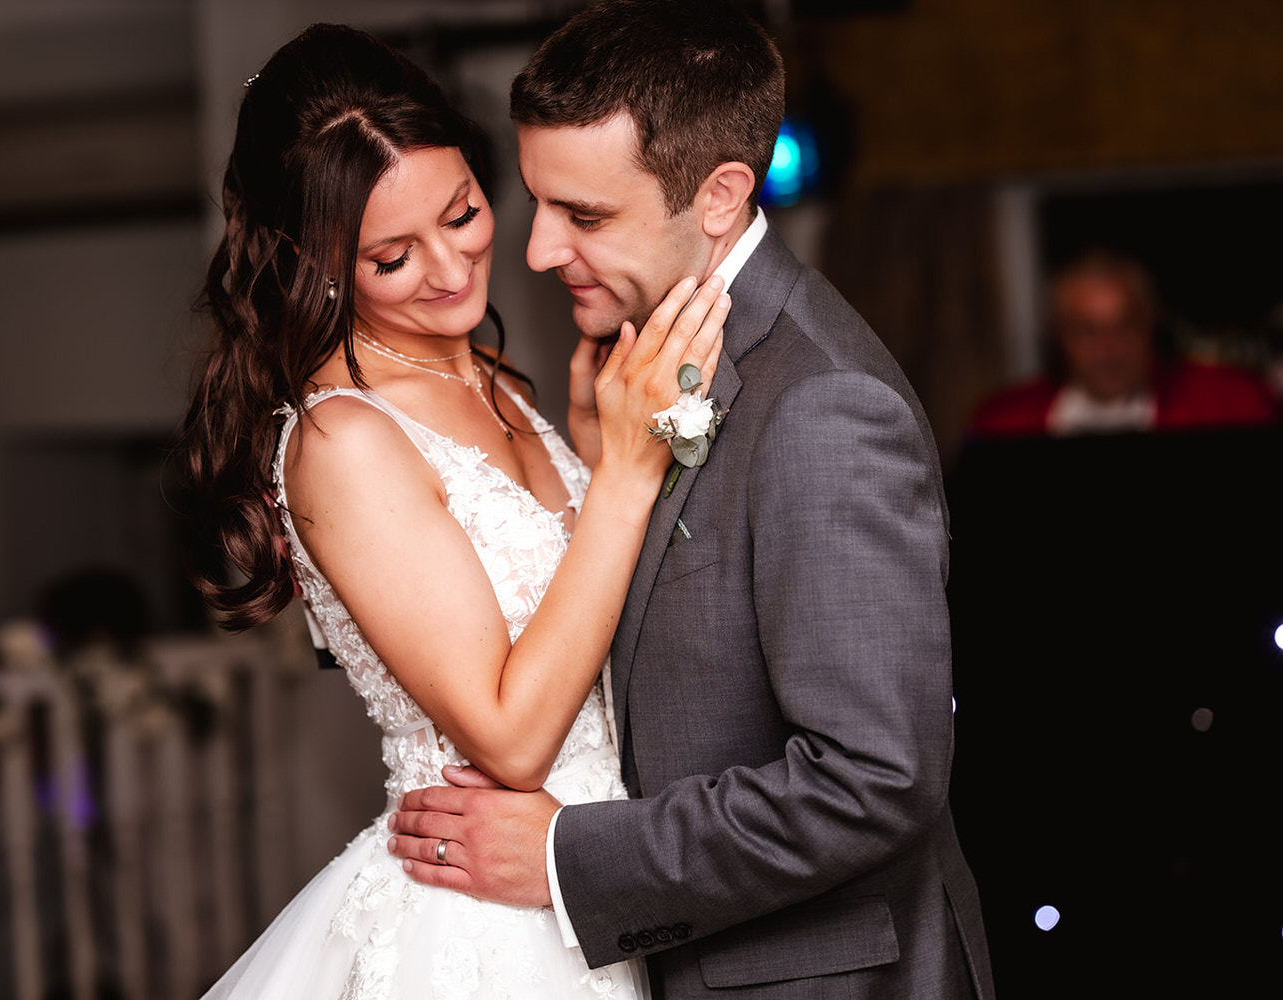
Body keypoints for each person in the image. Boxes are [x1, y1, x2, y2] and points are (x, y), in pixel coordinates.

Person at [387, 2, 997, 997]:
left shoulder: (824, 403)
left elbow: (877, 781)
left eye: (585, 216)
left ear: (719, 198)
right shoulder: (638, 361)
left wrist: (564, 856)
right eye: (538, 202)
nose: (537, 251)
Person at [182, 22, 729, 999]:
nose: (449, 270)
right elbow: (510, 738)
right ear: (316, 261)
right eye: (391, 258)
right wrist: (626, 475)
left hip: (598, 873)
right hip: (489, 929)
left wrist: (594, 448)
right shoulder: (345, 442)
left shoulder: (496, 375)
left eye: (464, 212)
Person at [968, 249, 1276, 437]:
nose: (1108, 347)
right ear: (1057, 335)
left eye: (1124, 326)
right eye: (1087, 330)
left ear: (1150, 323)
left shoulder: (1227, 406)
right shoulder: (1005, 423)